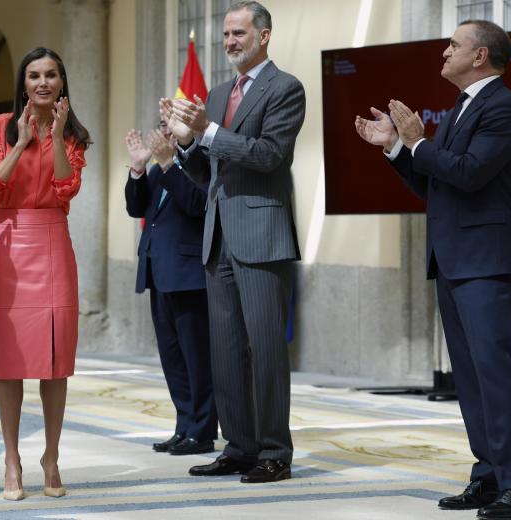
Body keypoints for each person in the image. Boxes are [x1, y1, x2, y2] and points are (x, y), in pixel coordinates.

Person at [355, 20, 511, 520]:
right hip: (453, 258)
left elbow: (471, 174)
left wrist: (415, 141)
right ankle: (490, 474)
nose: (445, 50)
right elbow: (438, 186)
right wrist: (394, 147)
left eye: (454, 44)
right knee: (470, 377)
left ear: (480, 57)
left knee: (493, 373)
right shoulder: (460, 108)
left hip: (488, 259)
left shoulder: (505, 108)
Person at [159, 0, 305, 483]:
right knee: (224, 351)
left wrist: (208, 130)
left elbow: (268, 155)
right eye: (225, 35)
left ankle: (274, 451)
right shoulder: (218, 94)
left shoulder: (286, 89)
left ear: (264, 35)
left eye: (239, 33)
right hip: (217, 237)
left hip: (263, 236)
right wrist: (186, 142)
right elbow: (209, 174)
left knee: (264, 350)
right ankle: (239, 446)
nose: (229, 42)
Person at [0, 47, 89, 501]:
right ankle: (12, 460)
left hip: (52, 242)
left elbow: (66, 189)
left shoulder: (74, 133)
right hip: (9, 242)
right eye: (33, 76)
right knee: (9, 362)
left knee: (55, 358)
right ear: (23, 84)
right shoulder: (1, 127)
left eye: (50, 75)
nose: (42, 83)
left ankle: (51, 456)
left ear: (62, 82)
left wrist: (59, 136)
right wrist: (22, 142)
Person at [124, 121, 217, 455]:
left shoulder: (202, 161)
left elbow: (197, 205)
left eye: (171, 124)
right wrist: (138, 167)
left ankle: (203, 431)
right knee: (173, 358)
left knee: (197, 358)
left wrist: (166, 164)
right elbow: (137, 207)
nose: (163, 130)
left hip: (189, 274)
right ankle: (184, 426)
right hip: (157, 271)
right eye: (161, 124)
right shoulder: (155, 168)